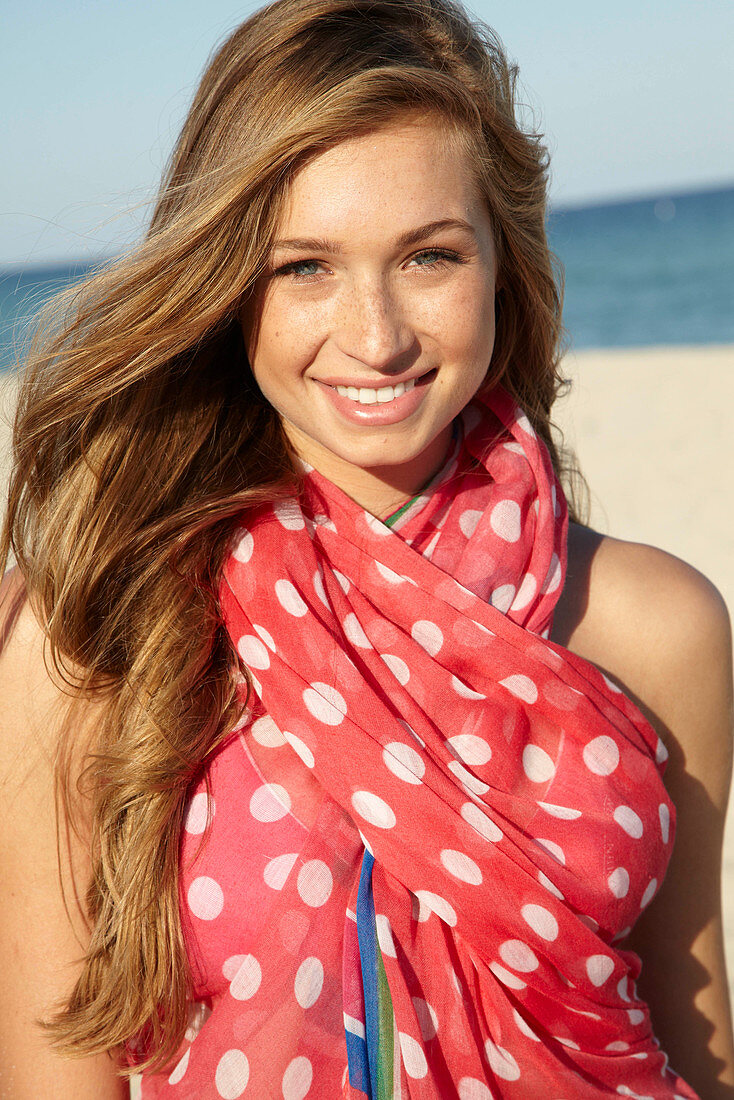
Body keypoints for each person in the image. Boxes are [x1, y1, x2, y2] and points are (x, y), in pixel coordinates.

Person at [0, 0, 732, 1097]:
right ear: (222, 283)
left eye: (428, 256)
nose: (377, 334)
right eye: (304, 267)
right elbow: (53, 1064)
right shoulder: (98, 624)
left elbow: (686, 1030)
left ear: (500, 263)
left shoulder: (652, 622)